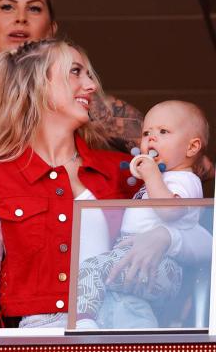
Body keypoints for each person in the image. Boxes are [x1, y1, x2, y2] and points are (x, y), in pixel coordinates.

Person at [0, 0, 143, 328]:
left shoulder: (120, 170)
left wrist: (166, 236)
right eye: (7, 7)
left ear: (52, 27)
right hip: (1, 312)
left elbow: (186, 171)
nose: (21, 18)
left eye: (34, 9)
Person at [76, 100, 209, 328]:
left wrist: (152, 176)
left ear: (192, 147)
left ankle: (83, 323)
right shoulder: (165, 179)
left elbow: (170, 211)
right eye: (147, 132)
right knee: (126, 305)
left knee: (90, 269)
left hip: (162, 264)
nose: (151, 138)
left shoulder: (185, 179)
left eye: (163, 131)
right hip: (142, 261)